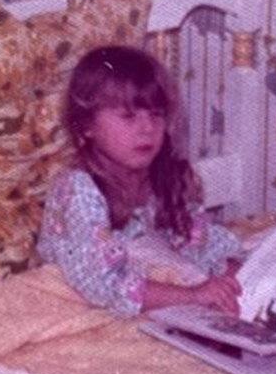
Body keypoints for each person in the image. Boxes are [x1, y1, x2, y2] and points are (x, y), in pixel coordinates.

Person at [36, 45, 245, 317]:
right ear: (86, 126)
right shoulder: (78, 189)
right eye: (128, 116)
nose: (147, 129)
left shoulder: (162, 176)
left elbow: (196, 239)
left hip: (143, 286)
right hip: (79, 298)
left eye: (156, 115)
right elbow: (103, 284)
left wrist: (235, 271)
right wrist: (195, 295)